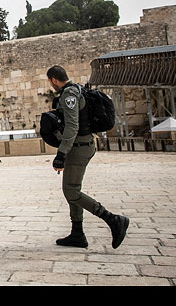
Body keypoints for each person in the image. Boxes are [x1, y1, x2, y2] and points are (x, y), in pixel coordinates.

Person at [47, 65, 129, 249]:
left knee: (71, 191)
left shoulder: (69, 95)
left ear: (53, 79)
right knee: (72, 189)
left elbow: (72, 127)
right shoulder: (78, 89)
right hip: (81, 146)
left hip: (78, 148)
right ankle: (77, 233)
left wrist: (61, 154)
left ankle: (113, 220)